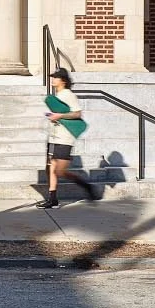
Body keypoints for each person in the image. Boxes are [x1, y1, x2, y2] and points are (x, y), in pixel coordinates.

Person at [40, 69, 97, 208]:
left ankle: (86, 186)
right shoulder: (57, 95)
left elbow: (77, 114)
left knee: (60, 171)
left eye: (56, 77)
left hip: (64, 138)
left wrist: (60, 116)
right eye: (52, 77)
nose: (53, 79)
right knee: (50, 167)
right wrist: (52, 116)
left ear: (63, 81)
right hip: (53, 137)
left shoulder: (69, 95)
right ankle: (52, 199)